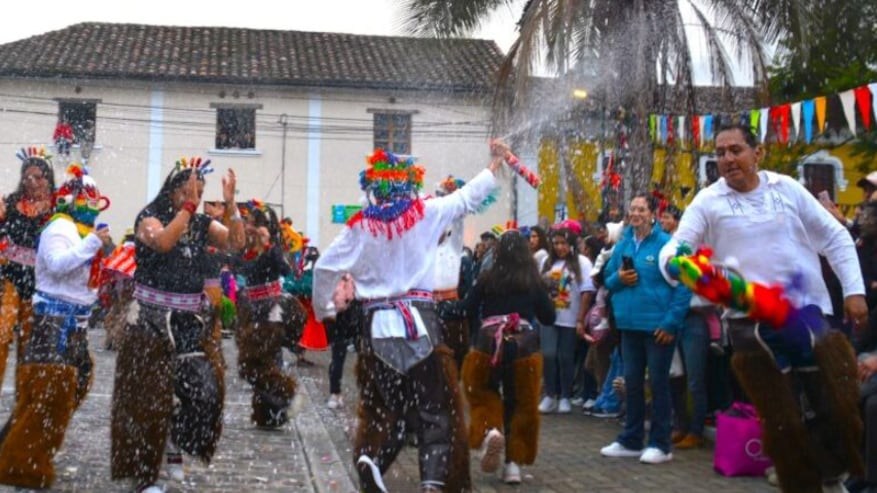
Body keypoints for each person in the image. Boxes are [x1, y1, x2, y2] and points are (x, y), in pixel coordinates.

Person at [664, 123, 868, 492]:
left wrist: (854, 291)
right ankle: (800, 481)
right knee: (782, 421)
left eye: (736, 150)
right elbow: (677, 247)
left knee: (836, 406)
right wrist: (676, 262)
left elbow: (835, 236)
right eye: (720, 152)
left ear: (758, 153)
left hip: (808, 314)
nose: (727, 159)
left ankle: (833, 475)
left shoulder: (786, 188)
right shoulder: (708, 201)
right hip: (750, 326)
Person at [312, 143, 510, 493]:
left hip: (376, 329)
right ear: (410, 185)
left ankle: (372, 459)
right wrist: (494, 165)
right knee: (436, 409)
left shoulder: (359, 227)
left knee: (389, 408)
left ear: (372, 188)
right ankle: (432, 483)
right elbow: (466, 197)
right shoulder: (426, 212)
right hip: (421, 325)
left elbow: (325, 267)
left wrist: (324, 309)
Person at [110, 157, 245, 493]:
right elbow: (164, 241)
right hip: (150, 320)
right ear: (174, 189)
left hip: (188, 321)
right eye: (189, 190)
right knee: (147, 401)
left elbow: (236, 243)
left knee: (205, 392)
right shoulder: (149, 217)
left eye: (199, 191)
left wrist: (231, 205)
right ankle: (145, 476)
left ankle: (175, 439)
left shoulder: (201, 223)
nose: (196, 197)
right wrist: (186, 209)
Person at [0, 163, 110, 488]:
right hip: (52, 322)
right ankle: (23, 464)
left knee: (61, 393)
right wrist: (93, 244)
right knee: (50, 395)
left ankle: (16, 447)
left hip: (73, 324)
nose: (93, 204)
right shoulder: (58, 227)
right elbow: (58, 264)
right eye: (88, 198)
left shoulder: (76, 230)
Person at [599, 194, 691, 464]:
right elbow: (607, 279)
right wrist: (619, 278)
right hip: (629, 324)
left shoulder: (668, 244)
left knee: (659, 384)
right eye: (633, 209)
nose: (636, 213)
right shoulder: (624, 243)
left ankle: (661, 444)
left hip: (658, 326)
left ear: (653, 214)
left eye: (641, 209)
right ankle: (631, 439)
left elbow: (685, 284)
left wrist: (671, 322)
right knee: (633, 384)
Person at [460, 229, 555, 484]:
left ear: (498, 252)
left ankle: (490, 430)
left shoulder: (487, 278)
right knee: (521, 402)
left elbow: (467, 308)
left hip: (487, 344)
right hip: (524, 349)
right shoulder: (532, 281)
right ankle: (513, 464)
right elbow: (549, 317)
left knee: (482, 391)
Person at [233, 200, 304, 429]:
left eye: (251, 223)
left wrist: (270, 245)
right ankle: (268, 412)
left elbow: (287, 270)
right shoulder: (247, 249)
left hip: (271, 309)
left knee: (265, 361)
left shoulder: (272, 249)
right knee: (255, 363)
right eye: (247, 222)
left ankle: (285, 397)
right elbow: (236, 266)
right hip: (251, 308)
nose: (247, 226)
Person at [0, 147, 55, 393]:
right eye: (27, 176)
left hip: (39, 284)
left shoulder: (58, 210)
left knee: (29, 344)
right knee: (1, 335)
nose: (32, 182)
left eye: (38, 177)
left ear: (48, 179)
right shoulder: (10, 204)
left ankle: (24, 401)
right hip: (9, 278)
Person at [537, 226, 595, 414]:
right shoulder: (546, 261)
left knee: (566, 357)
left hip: (570, 319)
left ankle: (565, 396)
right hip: (549, 317)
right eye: (556, 243)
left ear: (571, 244)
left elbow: (587, 291)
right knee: (548, 354)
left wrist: (580, 319)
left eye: (563, 243)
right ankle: (550, 395)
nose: (560, 247)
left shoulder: (582, 262)